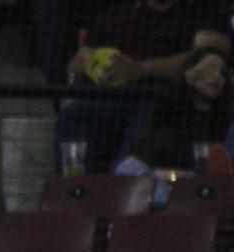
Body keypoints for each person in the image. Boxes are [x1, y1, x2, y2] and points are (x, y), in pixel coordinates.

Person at [58, 0, 230, 176]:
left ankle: (125, 185)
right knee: (74, 113)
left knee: (145, 123)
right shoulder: (121, 11)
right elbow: (79, 62)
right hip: (111, 98)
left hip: (167, 101)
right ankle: (71, 191)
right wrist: (82, 63)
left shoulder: (205, 8)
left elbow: (207, 58)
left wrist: (139, 69)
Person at [114, 47, 232, 206]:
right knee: (130, 173)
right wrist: (185, 81)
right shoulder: (172, 105)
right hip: (154, 173)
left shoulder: (225, 118)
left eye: (222, 71)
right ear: (191, 72)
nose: (216, 76)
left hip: (194, 186)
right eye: (209, 68)